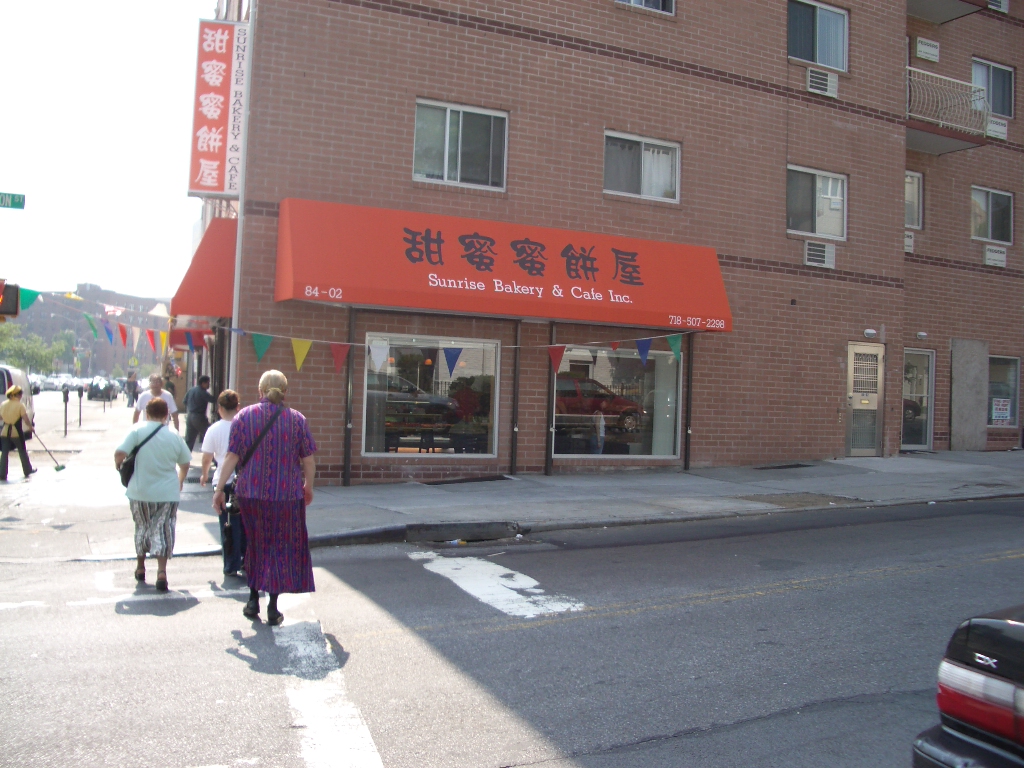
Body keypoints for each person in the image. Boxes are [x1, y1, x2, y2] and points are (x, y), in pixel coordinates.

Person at [213, 370, 316, 626]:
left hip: (251, 493)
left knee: (255, 545)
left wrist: (218, 489)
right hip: (286, 496)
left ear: (259, 391)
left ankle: (251, 600)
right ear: (285, 392)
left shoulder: (244, 417)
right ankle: (272, 606)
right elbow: (309, 461)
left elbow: (231, 457)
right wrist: (308, 486)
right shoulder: (297, 420)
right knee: (278, 549)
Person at [115, 397, 192, 592]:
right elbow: (185, 462)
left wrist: (120, 467)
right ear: (167, 414)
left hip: (139, 491)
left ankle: (141, 567)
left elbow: (119, 453)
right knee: (163, 529)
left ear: (146, 413)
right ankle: (161, 572)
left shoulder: (136, 431)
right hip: (167, 492)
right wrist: (180, 480)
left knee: (142, 527)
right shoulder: (174, 435)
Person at [200, 389, 245, 578]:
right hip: (243, 482)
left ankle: (230, 564)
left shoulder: (214, 429)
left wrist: (204, 475)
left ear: (219, 408)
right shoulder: (244, 427)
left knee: (227, 525)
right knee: (244, 524)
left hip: (223, 481)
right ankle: (246, 559)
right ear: (238, 407)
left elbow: (207, 457)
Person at [1, 385, 36, 481]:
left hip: (4, 431)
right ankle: (27, 470)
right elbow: (25, 419)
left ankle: (2, 474)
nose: (21, 395)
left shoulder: (3, 404)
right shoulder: (20, 405)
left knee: (4, 452)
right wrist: (30, 427)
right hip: (16, 431)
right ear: (14, 395)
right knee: (22, 451)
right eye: (20, 393)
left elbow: (0, 417)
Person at [183, 375, 215, 452]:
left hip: (190, 416)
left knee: (189, 439)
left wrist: (192, 406)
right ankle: (214, 458)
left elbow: (184, 401)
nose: (209, 385)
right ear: (203, 383)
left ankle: (184, 458)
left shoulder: (191, 390)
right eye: (208, 383)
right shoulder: (203, 393)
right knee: (209, 435)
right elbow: (213, 400)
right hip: (199, 417)